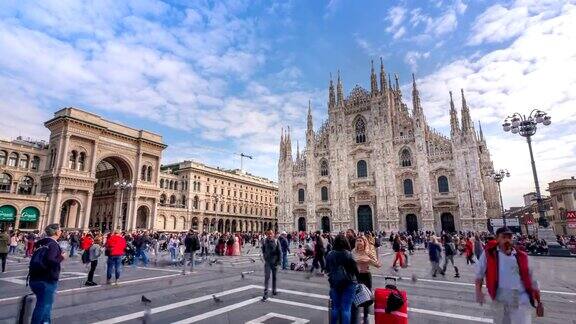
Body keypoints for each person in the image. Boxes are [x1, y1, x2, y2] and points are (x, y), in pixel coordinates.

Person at [475, 227, 543, 324]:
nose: (507, 240)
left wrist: (539, 301)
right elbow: (479, 273)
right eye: (504, 237)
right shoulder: (489, 254)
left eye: (509, 237)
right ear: (497, 239)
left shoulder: (521, 256)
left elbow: (532, 279)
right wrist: (478, 292)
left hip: (520, 298)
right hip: (500, 297)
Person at [29, 224, 66, 324]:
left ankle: (46, 322)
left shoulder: (41, 242)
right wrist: (61, 257)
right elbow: (51, 260)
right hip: (46, 279)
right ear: (56, 232)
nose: (61, 232)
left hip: (34, 277)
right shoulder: (53, 244)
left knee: (46, 305)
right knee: (43, 305)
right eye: (60, 230)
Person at [326, 234, 358, 324]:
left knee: (335, 308)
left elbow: (327, 268)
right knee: (346, 308)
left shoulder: (330, 254)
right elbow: (355, 270)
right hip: (349, 283)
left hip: (335, 283)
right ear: (345, 242)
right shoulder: (349, 254)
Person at [352, 235, 381, 324]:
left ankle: (366, 316)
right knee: (356, 296)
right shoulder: (353, 251)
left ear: (364, 242)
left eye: (361, 240)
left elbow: (377, 264)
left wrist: (371, 258)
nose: (359, 242)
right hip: (357, 276)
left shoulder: (368, 252)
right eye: (357, 240)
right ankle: (355, 316)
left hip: (366, 276)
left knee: (367, 297)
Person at [261, 230, 281, 301]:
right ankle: (265, 293)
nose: (269, 235)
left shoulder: (276, 241)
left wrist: (278, 262)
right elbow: (263, 249)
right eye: (268, 234)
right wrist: (264, 257)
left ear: (273, 234)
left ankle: (274, 290)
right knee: (267, 277)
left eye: (271, 234)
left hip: (274, 262)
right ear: (266, 234)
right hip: (268, 263)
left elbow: (279, 252)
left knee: (274, 277)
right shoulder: (264, 241)